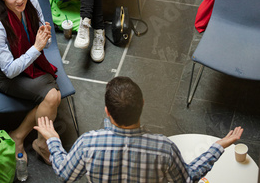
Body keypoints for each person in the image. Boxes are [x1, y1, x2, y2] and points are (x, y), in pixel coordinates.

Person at [35, 76, 244, 182]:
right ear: (143, 103)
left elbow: (64, 173)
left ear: (107, 112)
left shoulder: (87, 143)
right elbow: (188, 178)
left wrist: (53, 139)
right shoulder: (164, 148)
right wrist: (217, 146)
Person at [0, 0, 61, 163]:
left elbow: (47, 44)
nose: (20, 0)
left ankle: (33, 141)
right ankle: (23, 138)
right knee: (52, 96)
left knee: (52, 96)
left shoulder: (32, 3)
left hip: (32, 63)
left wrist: (46, 37)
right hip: (8, 77)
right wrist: (37, 47)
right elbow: (9, 70)